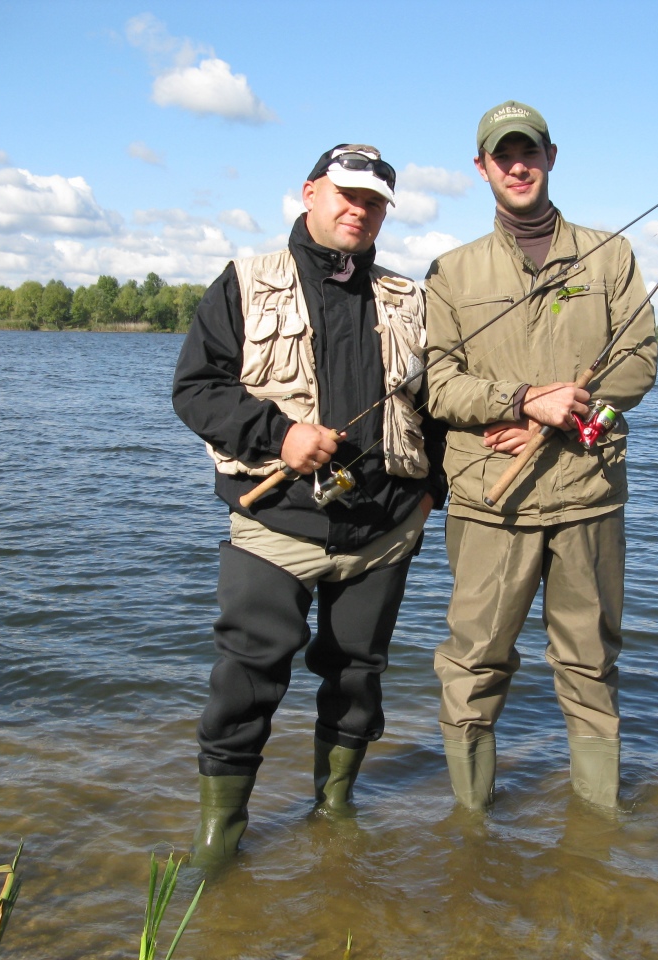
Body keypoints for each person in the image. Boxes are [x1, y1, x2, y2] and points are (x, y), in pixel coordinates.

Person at [173, 144, 445, 868]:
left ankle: (335, 809)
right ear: (310, 193)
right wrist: (280, 435)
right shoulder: (242, 281)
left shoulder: (411, 299)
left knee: (357, 676)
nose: (360, 210)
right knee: (245, 680)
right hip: (274, 526)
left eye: (375, 202)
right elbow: (196, 390)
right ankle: (219, 838)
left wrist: (430, 498)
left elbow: (441, 411)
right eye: (347, 194)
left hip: (384, 532)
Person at [423, 102, 657, 811]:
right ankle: (471, 832)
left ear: (551, 157)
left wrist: (565, 422)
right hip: (490, 501)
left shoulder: (610, 255)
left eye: (529, 152)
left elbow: (639, 362)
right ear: (482, 168)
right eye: (503, 155)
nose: (517, 166)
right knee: (473, 666)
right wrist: (523, 401)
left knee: (591, 665)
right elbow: (437, 384)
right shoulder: (452, 272)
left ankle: (598, 823)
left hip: (589, 494)